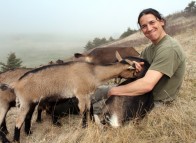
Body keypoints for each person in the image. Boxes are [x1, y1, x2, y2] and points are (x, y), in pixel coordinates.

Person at [107, 8, 186, 104]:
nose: (149, 28)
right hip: (143, 94)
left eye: (152, 22)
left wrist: (114, 91)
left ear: (161, 22)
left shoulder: (169, 48)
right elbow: (138, 67)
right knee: (94, 91)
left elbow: (147, 85)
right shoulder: (149, 49)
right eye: (144, 26)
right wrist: (134, 66)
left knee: (99, 106)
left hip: (154, 101)